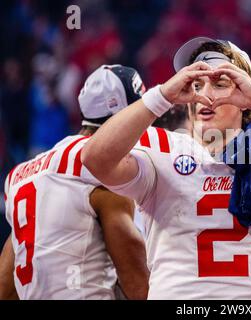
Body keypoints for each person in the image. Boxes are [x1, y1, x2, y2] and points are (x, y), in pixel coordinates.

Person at [82, 37, 251, 299]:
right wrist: (161, 96)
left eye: (220, 85)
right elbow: (95, 159)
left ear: (245, 96)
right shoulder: (161, 148)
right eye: (196, 84)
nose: (205, 95)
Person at [0, 65, 149, 300]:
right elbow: (135, 277)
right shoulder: (103, 168)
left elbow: (6, 284)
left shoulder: (21, 174)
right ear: (128, 115)